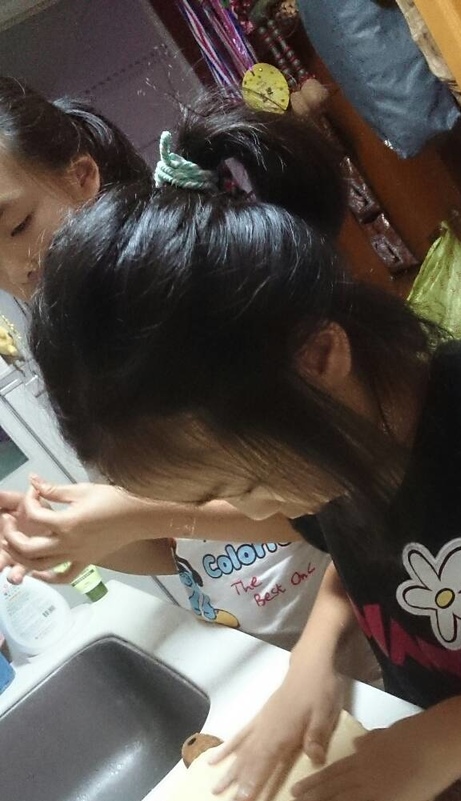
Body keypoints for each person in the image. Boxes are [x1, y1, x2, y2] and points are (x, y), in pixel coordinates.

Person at [32, 101, 461, 801]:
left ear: (318, 357)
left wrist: (454, 735)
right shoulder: (331, 448)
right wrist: (313, 660)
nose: (257, 512)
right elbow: (361, 565)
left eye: (244, 488)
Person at [0, 78, 380, 671]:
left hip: (360, 627)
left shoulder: (196, 294)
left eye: (18, 226)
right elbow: (180, 546)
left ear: (81, 176)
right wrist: (72, 538)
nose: (13, 268)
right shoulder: (81, 359)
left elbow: (321, 500)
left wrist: (132, 513)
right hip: (262, 652)